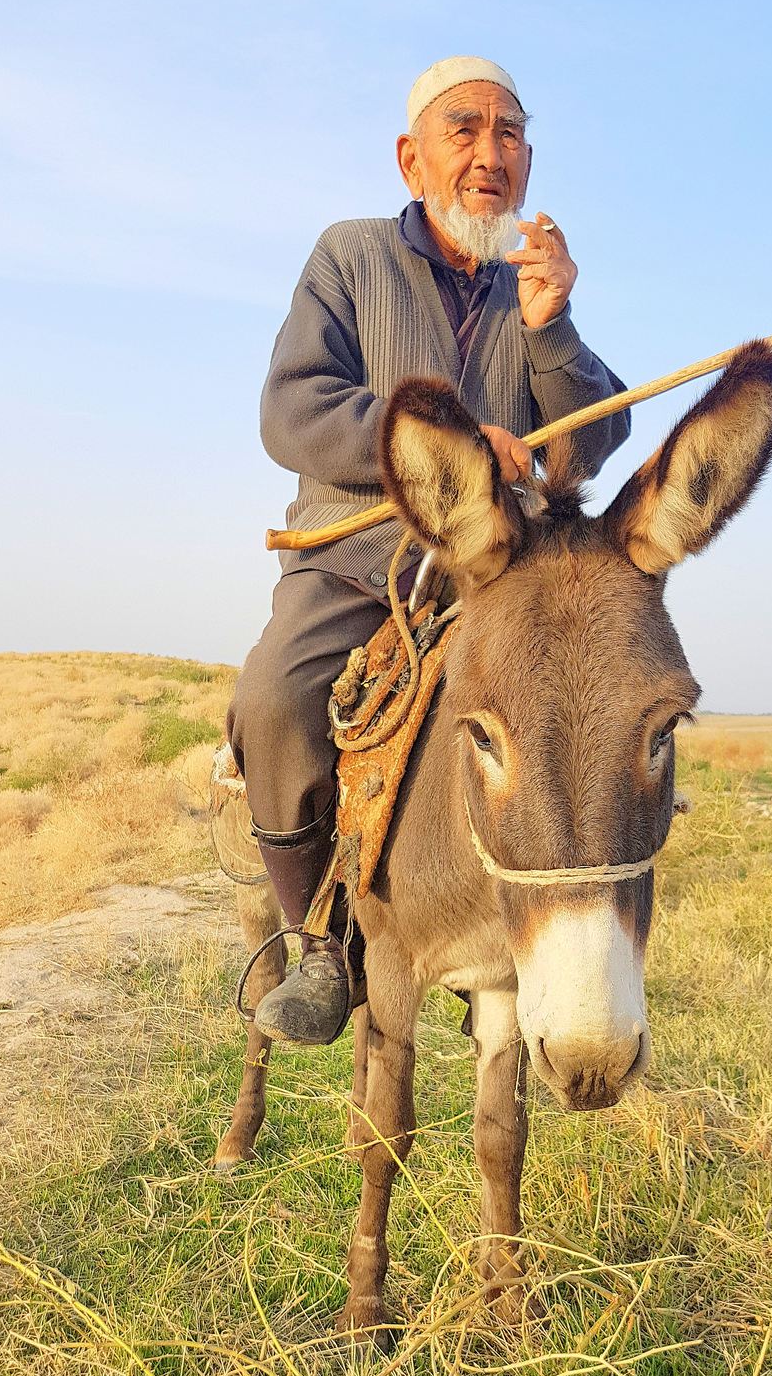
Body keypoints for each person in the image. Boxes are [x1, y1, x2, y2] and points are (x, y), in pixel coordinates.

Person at [227, 55, 631, 1045]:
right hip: (354, 553)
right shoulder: (350, 255)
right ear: (413, 158)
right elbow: (290, 408)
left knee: (582, 710)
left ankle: (519, 925)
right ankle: (317, 941)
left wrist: (552, 330)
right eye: (465, 130)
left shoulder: (531, 287)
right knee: (274, 700)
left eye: (509, 134)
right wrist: (441, 444)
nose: (489, 154)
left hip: (492, 570)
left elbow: (588, 444)